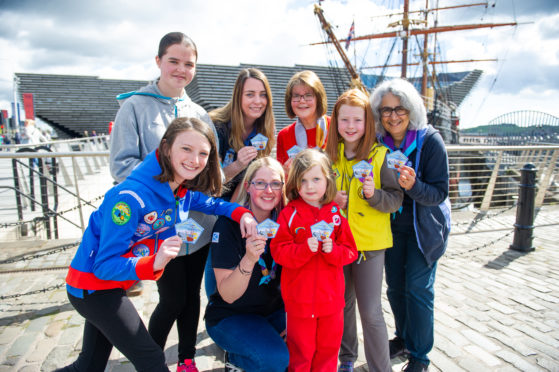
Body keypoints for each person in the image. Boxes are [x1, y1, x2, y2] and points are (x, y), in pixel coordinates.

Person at [56, 117, 257, 372]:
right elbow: (103, 266)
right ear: (166, 147)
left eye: (203, 153)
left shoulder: (177, 189)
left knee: (89, 365)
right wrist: (155, 262)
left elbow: (212, 204)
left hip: (109, 287)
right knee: (151, 359)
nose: (194, 159)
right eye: (186, 149)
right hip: (93, 288)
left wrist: (242, 214)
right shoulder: (129, 198)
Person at [108, 32, 218, 371]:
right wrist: (167, 191)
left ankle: (186, 359)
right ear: (158, 61)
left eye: (189, 64)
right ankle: (150, 361)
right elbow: (122, 167)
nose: (181, 69)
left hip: (195, 226)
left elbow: (209, 166)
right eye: (174, 60)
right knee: (171, 298)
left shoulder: (199, 112)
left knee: (190, 298)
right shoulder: (134, 107)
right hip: (157, 227)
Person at [370, 79, 451, 372]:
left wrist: (414, 186)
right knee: (395, 288)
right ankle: (403, 337)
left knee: (418, 288)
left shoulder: (430, 141)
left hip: (423, 229)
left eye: (399, 108)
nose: (393, 116)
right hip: (391, 228)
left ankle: (420, 355)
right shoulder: (379, 143)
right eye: (386, 110)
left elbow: (439, 193)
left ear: (411, 109)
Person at [325, 89, 403, 372]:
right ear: (336, 122)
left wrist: (374, 195)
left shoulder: (381, 156)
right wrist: (329, 198)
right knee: (343, 304)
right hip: (336, 244)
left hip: (369, 245)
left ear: (367, 122)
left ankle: (380, 368)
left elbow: (395, 199)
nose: (350, 126)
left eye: (357, 120)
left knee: (370, 311)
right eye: (344, 120)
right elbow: (315, 197)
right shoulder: (329, 156)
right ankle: (347, 358)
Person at [271, 148, 357, 372]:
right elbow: (278, 251)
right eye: (303, 180)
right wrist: (302, 249)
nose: (310, 186)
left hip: (331, 302)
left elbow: (350, 251)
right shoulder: (288, 214)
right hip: (299, 302)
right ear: (295, 184)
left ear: (327, 181)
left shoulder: (336, 214)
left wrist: (332, 250)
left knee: (328, 352)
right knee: (300, 353)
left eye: (316, 179)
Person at [205, 157, 289, 372]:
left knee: (304, 348)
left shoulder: (285, 222)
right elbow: (229, 295)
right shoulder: (227, 226)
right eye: (260, 183)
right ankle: (236, 360)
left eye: (275, 183)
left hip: (273, 311)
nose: (268, 190)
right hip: (231, 315)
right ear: (248, 187)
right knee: (275, 359)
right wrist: (249, 259)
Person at [210, 68, 276, 201]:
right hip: (211, 203)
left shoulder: (267, 130)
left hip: (242, 202)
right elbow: (210, 183)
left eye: (263, 95)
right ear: (238, 97)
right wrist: (238, 165)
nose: (258, 101)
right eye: (250, 94)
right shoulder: (216, 127)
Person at [276, 70, 330, 168]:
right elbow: (280, 180)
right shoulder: (284, 136)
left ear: (318, 98)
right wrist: (287, 174)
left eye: (308, 95)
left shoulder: (336, 127)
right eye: (296, 96)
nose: (302, 101)